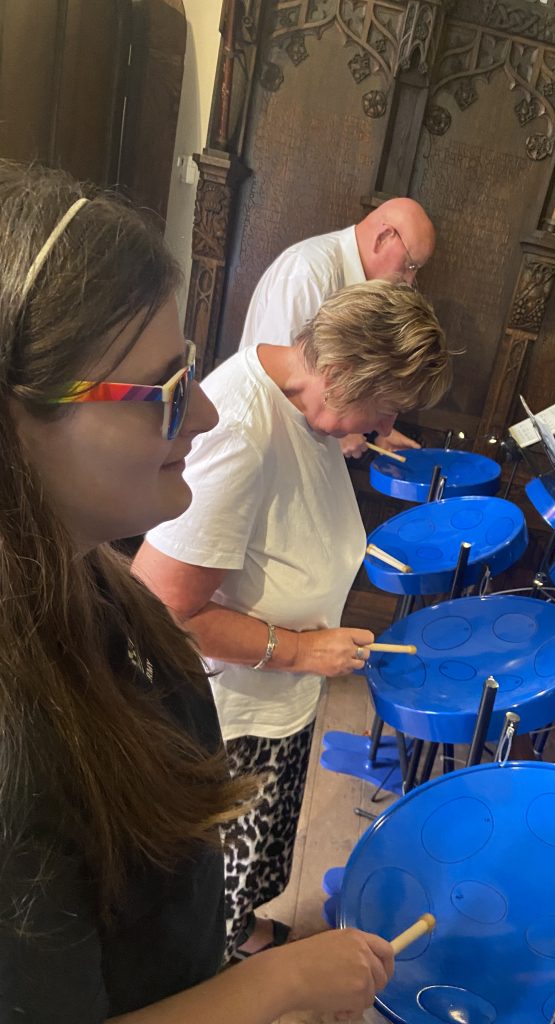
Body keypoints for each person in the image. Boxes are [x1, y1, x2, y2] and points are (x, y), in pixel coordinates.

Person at [0, 159, 394, 1023]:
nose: (205, 416)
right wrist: (281, 982)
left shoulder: (84, 577)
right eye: (167, 393)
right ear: (20, 420)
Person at [132, 281, 451, 962]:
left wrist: (345, 432)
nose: (379, 425)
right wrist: (305, 651)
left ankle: (242, 931)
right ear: (337, 374)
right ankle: (220, 973)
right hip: (230, 717)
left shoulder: (299, 400)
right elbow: (163, 605)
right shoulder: (241, 430)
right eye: (380, 408)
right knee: (214, 887)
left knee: (253, 869)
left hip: (274, 697)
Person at [239, 197, 437, 457]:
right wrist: (342, 433)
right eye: (410, 265)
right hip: (264, 444)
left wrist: (375, 429)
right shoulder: (309, 272)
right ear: (384, 237)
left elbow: (352, 382)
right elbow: (278, 386)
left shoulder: (363, 287)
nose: (410, 281)